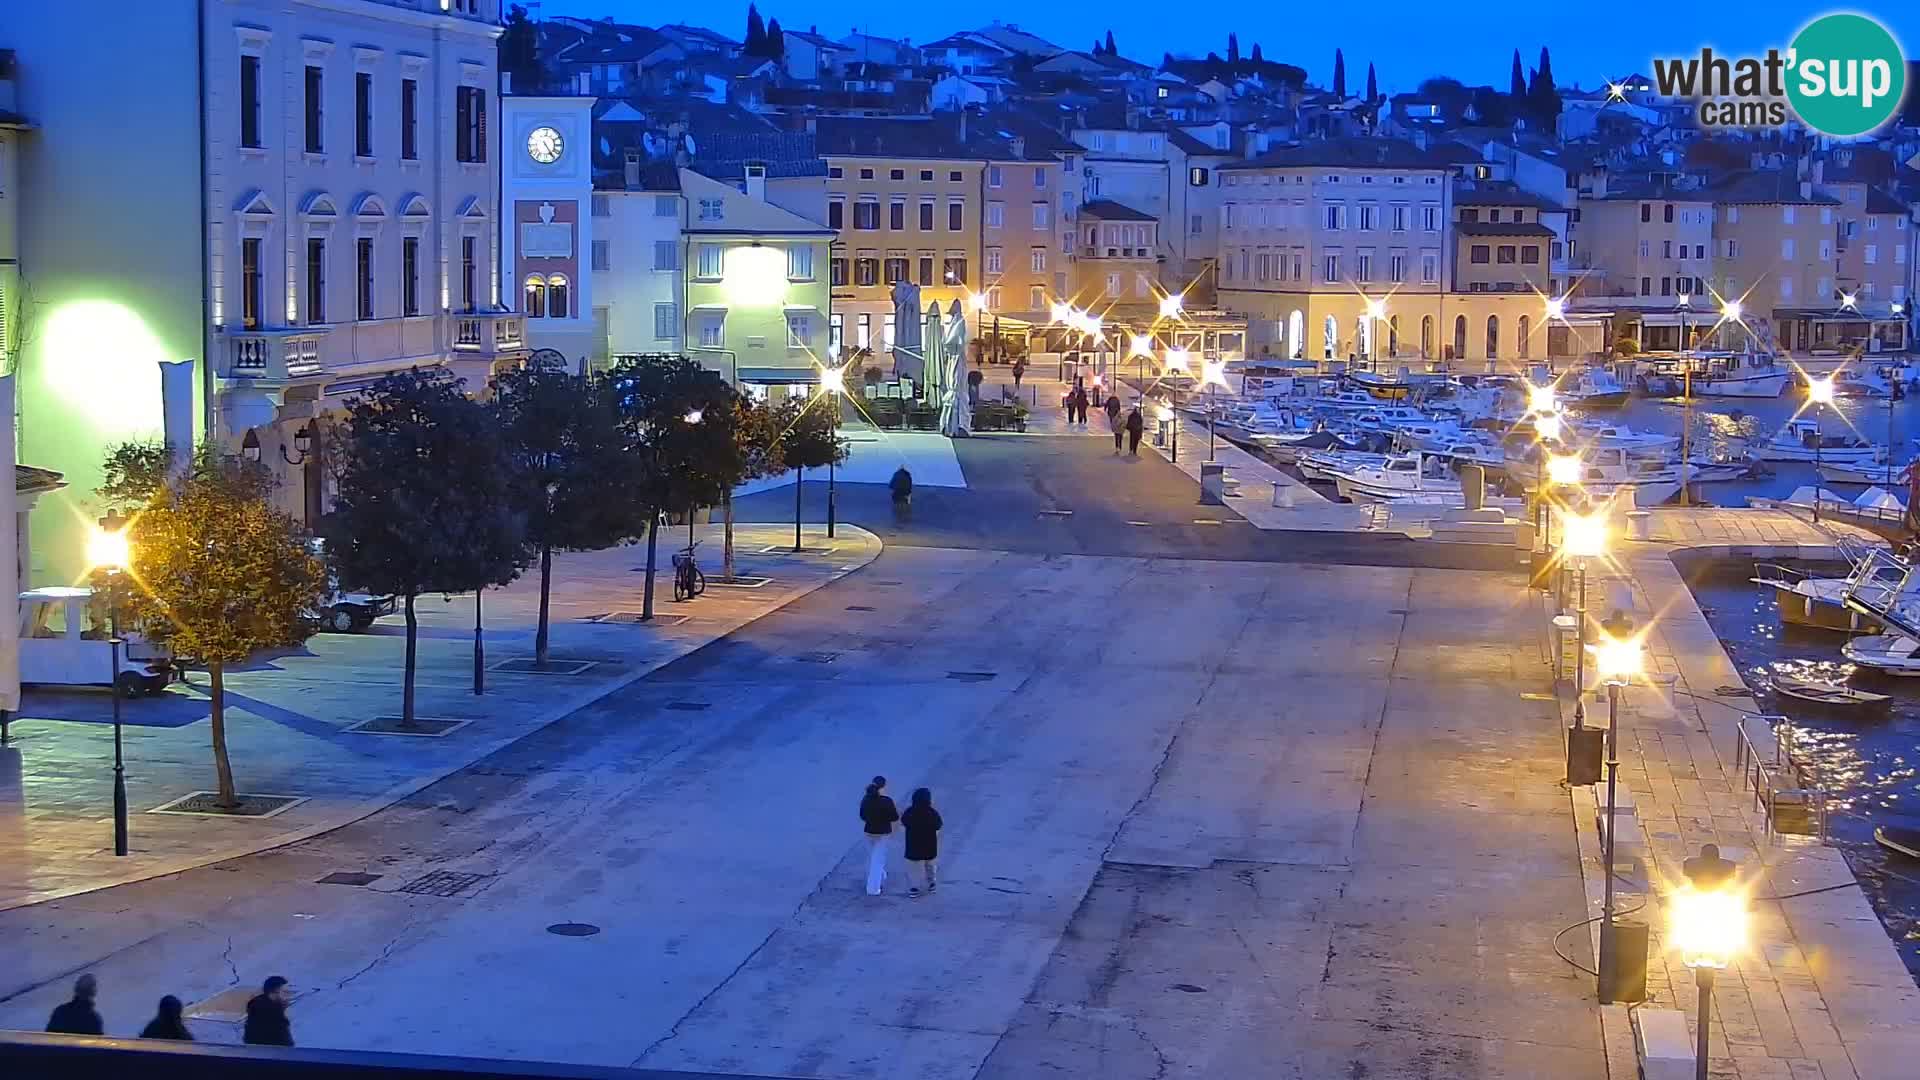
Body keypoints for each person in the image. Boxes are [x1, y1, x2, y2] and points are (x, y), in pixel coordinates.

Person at [858, 776, 899, 896]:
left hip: (869, 831)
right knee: (878, 860)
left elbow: (862, 816)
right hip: (883, 833)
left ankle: (882, 875)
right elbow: (894, 817)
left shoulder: (866, 799)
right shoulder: (887, 801)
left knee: (872, 856)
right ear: (883, 787)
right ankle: (873, 888)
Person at [900, 788, 943, 897]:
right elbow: (938, 825)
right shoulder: (932, 812)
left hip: (913, 844)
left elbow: (904, 822)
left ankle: (914, 888)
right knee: (930, 865)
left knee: (914, 867)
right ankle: (931, 883)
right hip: (929, 844)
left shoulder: (909, 811)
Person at [243, 975, 294, 1047]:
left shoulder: (257, 1004)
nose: (289, 995)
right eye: (285, 992)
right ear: (276, 992)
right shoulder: (274, 1017)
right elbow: (285, 1043)